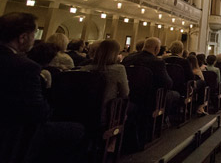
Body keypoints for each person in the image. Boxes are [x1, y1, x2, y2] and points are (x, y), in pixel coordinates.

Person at [0, 12, 85, 162]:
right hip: (14, 132)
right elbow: (38, 112)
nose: (36, 39)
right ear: (22, 37)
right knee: (78, 131)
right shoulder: (25, 67)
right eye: (34, 34)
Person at [80, 39, 129, 121]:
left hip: (84, 112)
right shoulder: (118, 69)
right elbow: (125, 93)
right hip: (107, 113)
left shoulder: (85, 68)